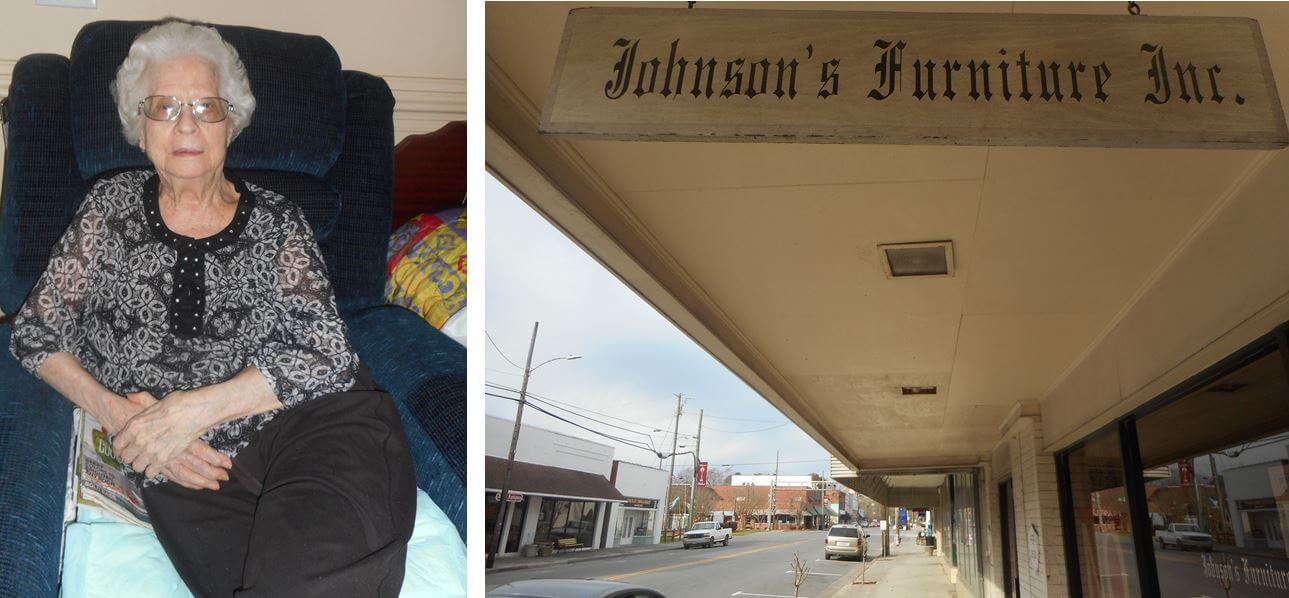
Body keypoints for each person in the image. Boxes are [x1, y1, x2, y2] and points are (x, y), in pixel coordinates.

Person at [8, 20, 415, 597]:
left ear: (232, 121)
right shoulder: (108, 208)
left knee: (324, 571)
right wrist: (134, 422)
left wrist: (188, 413)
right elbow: (34, 336)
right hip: (184, 465)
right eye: (165, 107)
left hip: (311, 423)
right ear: (139, 125)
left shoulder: (279, 219)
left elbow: (325, 354)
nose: (187, 124)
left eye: (205, 105)